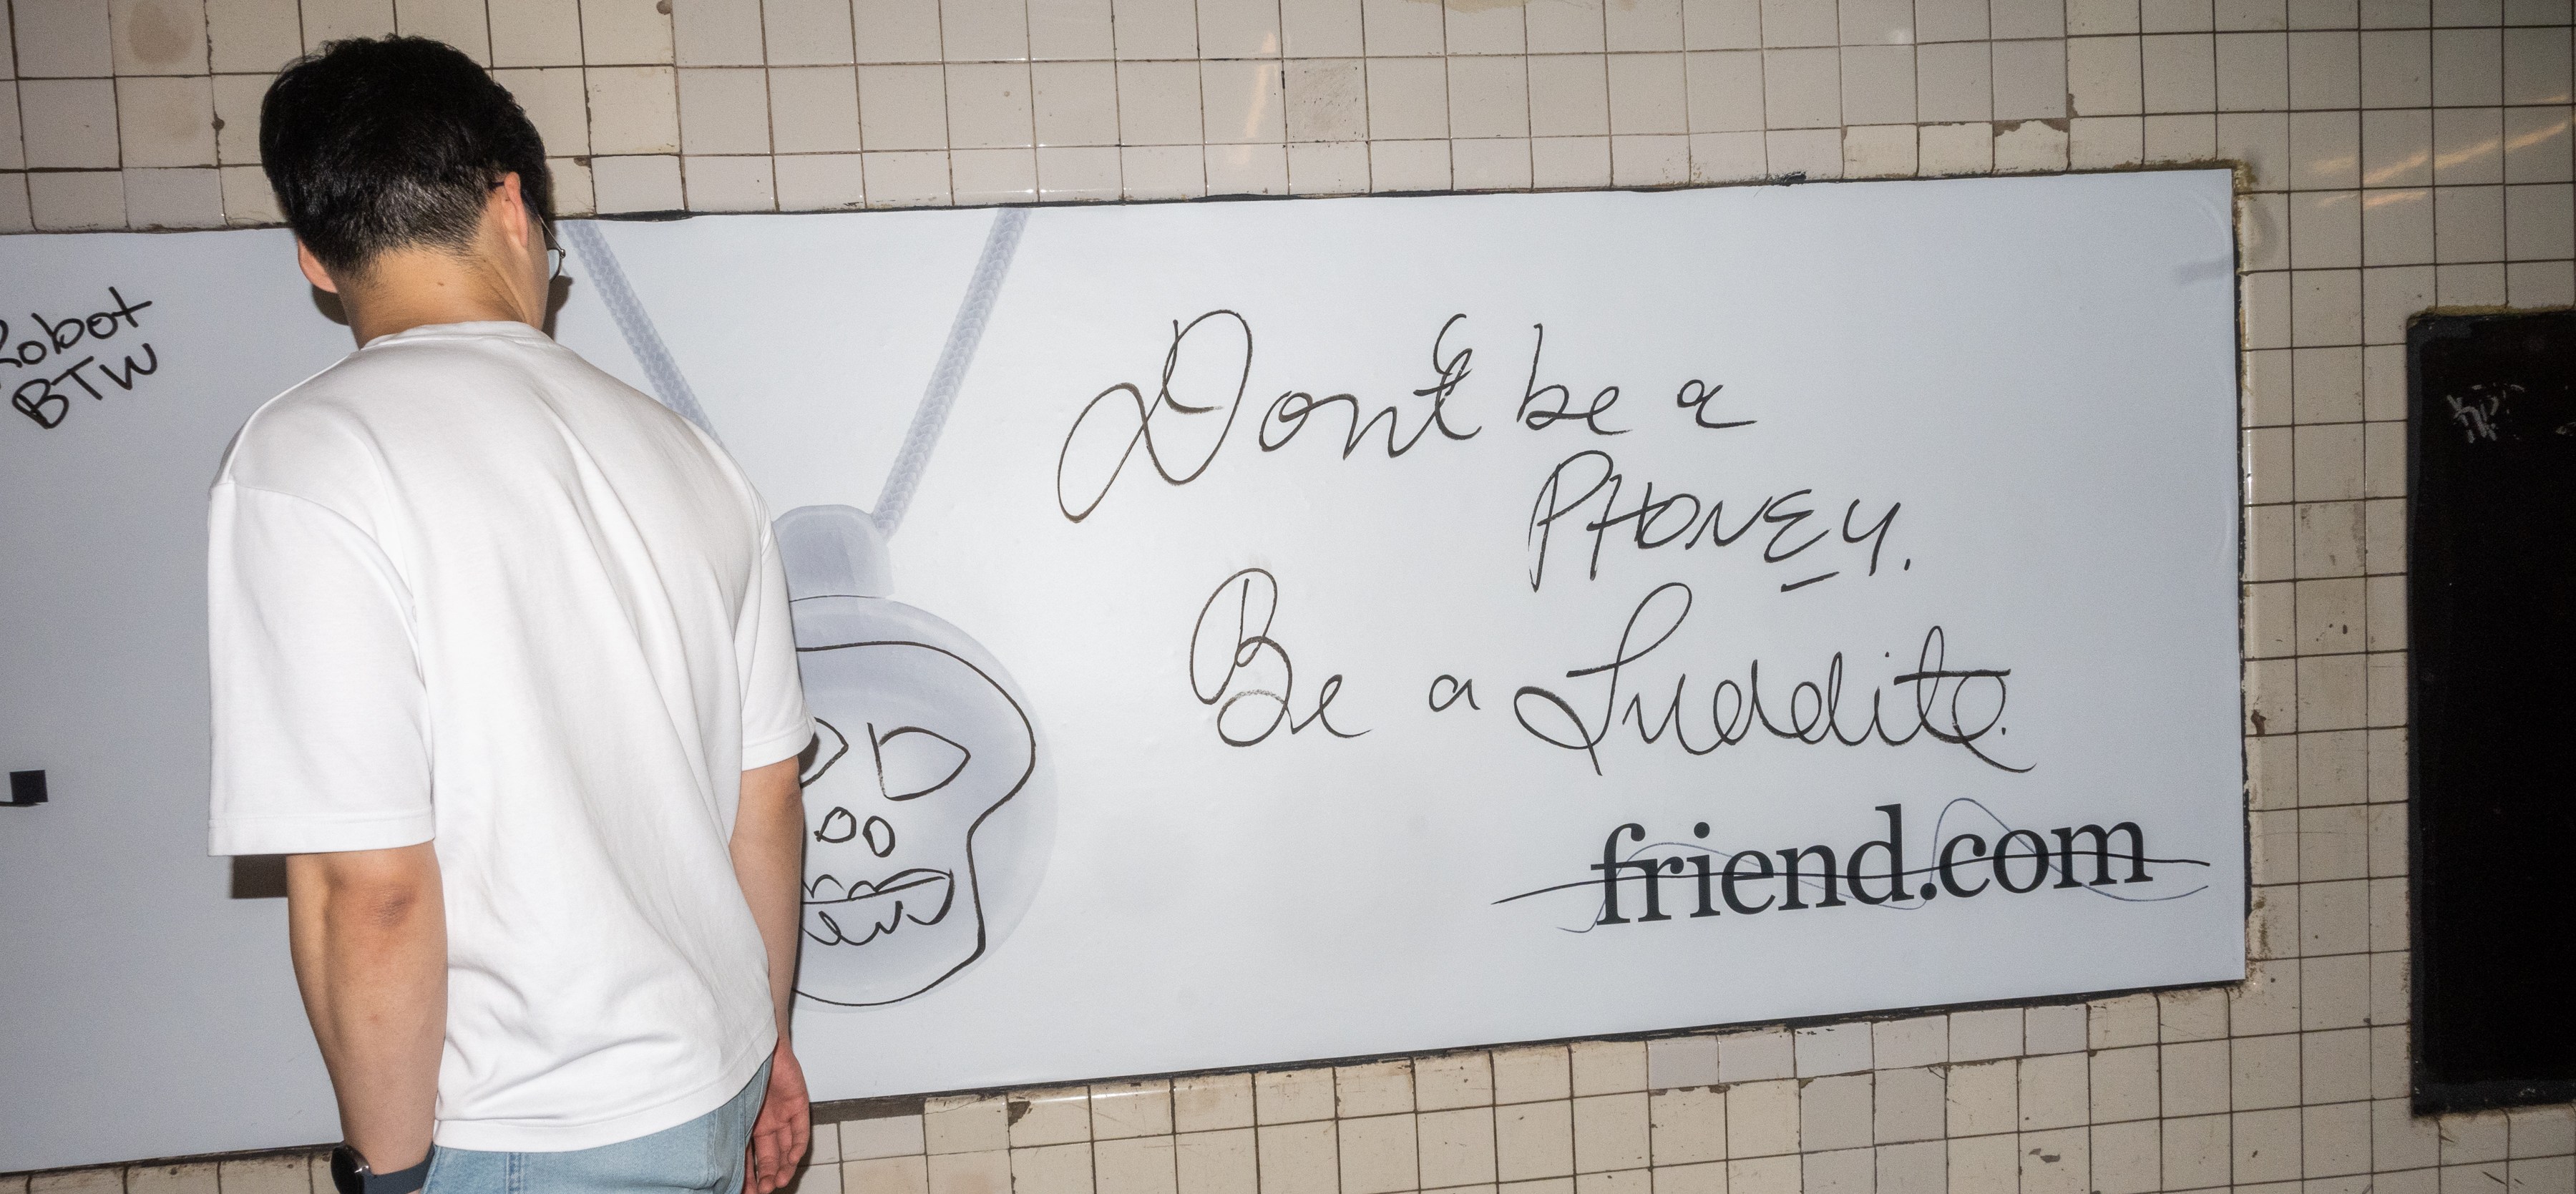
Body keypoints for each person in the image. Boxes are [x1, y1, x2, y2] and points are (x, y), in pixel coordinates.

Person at [205, 36, 814, 1194]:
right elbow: (769, 795)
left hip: (533, 1129)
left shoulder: (309, 459)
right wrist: (770, 1045)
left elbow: (364, 886)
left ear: (315, 261)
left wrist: (389, 1174)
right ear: (512, 206)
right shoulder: (687, 452)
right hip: (712, 1083)